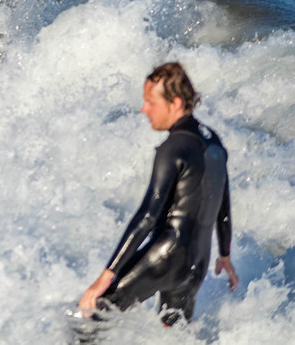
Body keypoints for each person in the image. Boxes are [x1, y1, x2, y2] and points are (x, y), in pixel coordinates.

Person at [79, 62, 237, 325]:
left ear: (174, 103)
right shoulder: (213, 141)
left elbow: (147, 216)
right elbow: (223, 204)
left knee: (89, 317)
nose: (144, 109)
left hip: (167, 256)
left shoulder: (173, 147)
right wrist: (225, 255)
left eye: (151, 102)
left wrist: (106, 277)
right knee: (171, 337)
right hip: (197, 264)